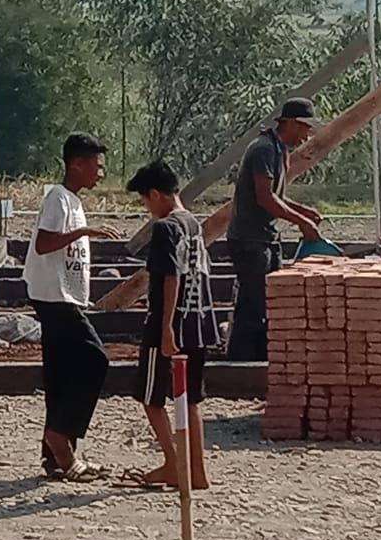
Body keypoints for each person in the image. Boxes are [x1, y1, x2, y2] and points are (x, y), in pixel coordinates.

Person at [23, 132, 121, 480]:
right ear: (76, 164)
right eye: (97, 165)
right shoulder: (58, 199)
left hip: (63, 295)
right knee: (95, 359)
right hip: (54, 296)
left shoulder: (73, 201)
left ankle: (57, 455)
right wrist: (83, 233)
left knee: (61, 373)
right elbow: (44, 244)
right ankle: (60, 434)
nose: (100, 173)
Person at [123, 160, 218, 489]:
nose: (147, 209)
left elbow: (171, 277)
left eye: (145, 201)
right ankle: (197, 471)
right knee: (190, 399)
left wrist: (166, 326)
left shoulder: (166, 228)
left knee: (151, 398)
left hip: (171, 323)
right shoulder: (193, 224)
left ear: (155, 194)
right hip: (197, 322)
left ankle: (174, 464)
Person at [225, 98, 322, 361]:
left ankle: (252, 359)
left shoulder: (279, 150)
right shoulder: (263, 149)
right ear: (291, 123)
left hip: (265, 238)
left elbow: (276, 195)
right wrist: (301, 222)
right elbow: (265, 198)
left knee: (265, 301)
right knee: (256, 305)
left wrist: (303, 211)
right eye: (305, 128)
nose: (306, 136)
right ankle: (244, 363)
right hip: (250, 239)